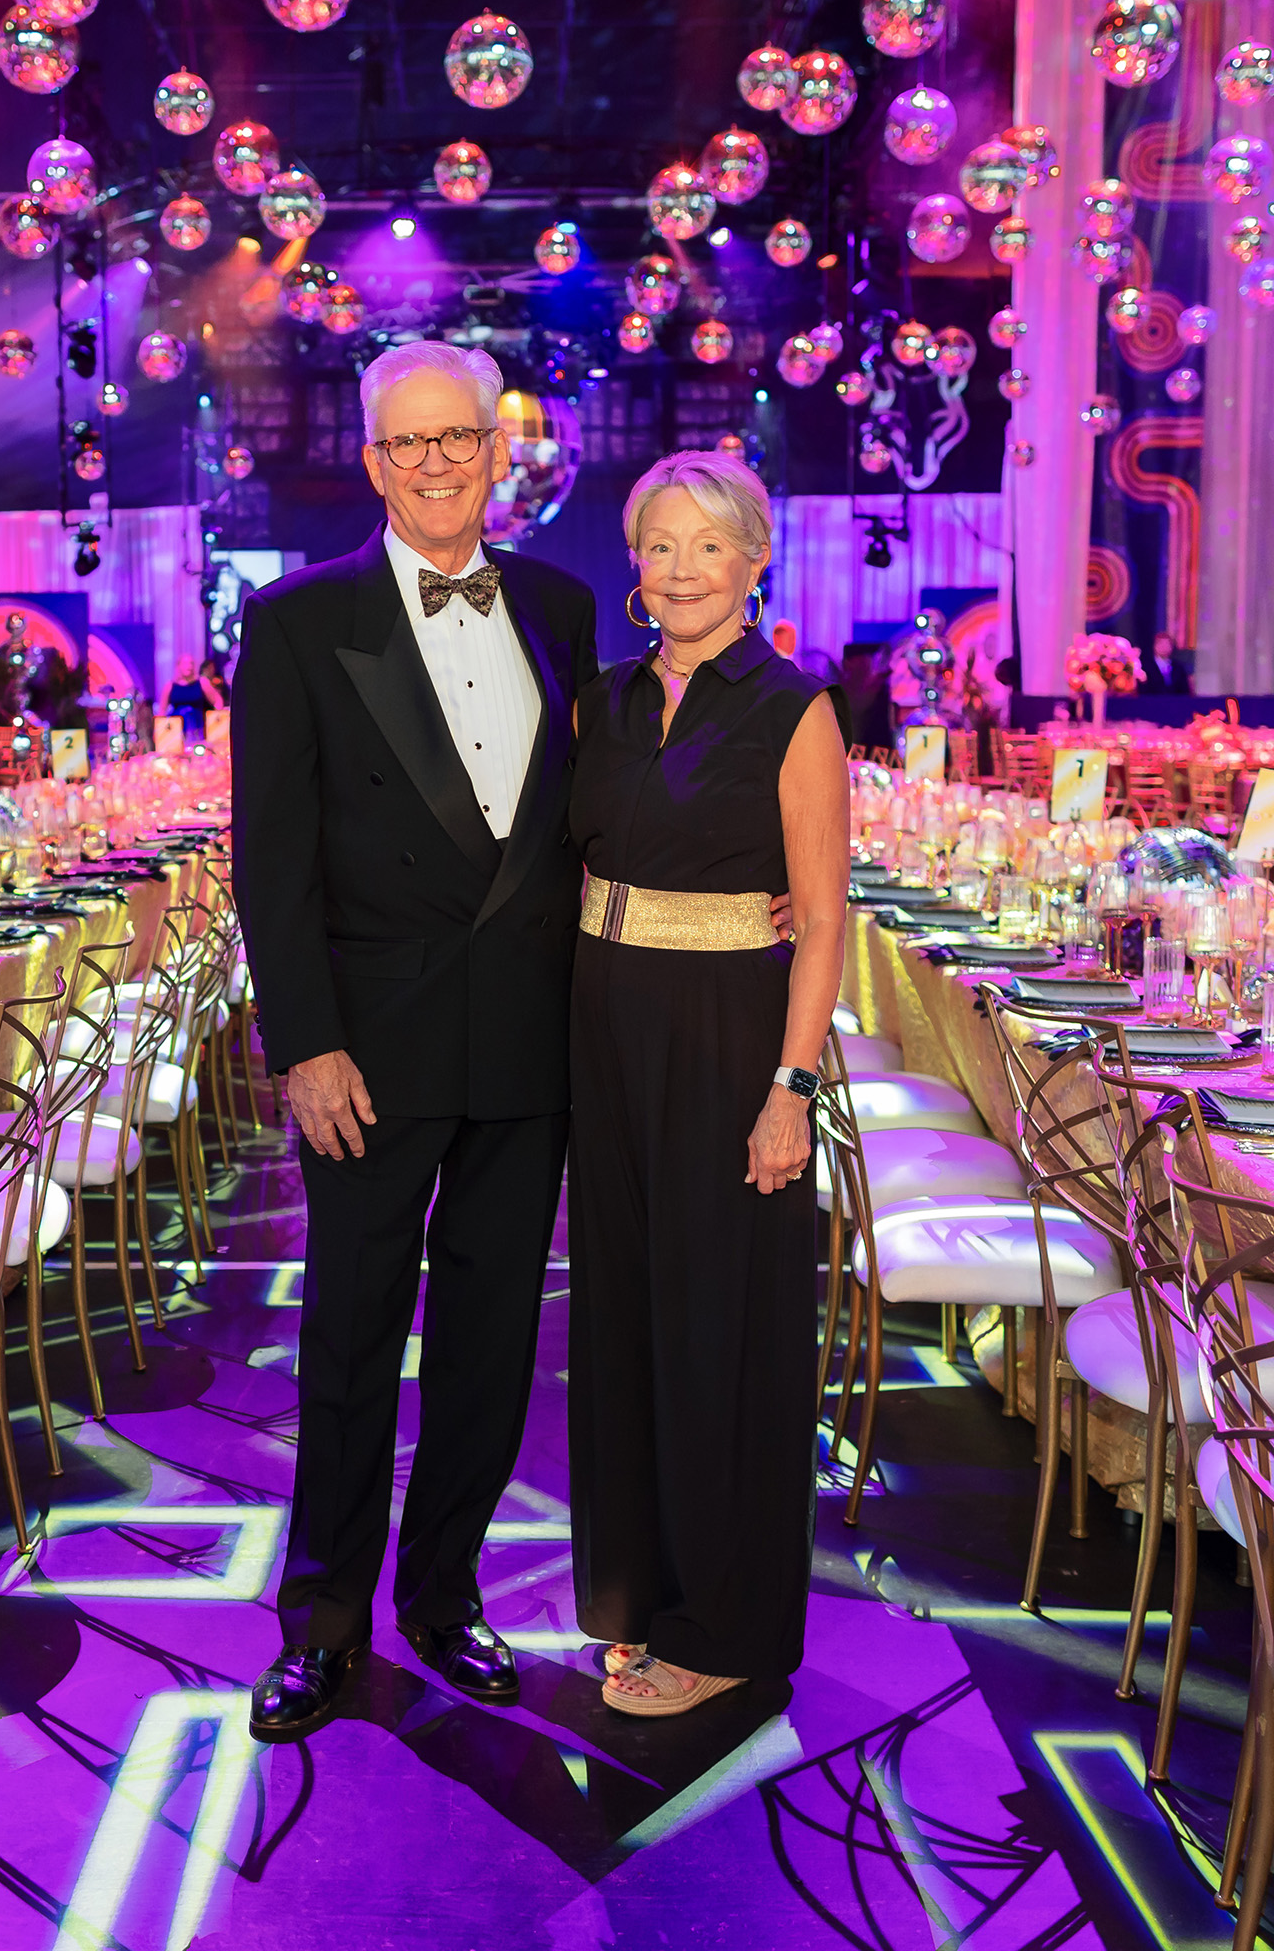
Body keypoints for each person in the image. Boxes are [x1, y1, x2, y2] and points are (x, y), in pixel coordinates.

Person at [231, 341, 598, 1742]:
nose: (439, 462)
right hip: (368, 1057)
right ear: (374, 459)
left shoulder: (563, 608)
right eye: (410, 444)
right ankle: (320, 1625)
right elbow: (273, 863)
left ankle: (444, 1598)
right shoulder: (299, 622)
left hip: (526, 1049)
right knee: (348, 1342)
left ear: (497, 450)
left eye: (461, 438)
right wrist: (305, 1044)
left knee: (494, 1344)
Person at [567, 449, 849, 1718]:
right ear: (636, 564)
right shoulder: (606, 701)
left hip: (730, 1034)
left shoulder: (795, 709)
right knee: (625, 1322)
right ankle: (638, 1594)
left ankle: (728, 1626)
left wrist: (791, 1086)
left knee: (721, 1330)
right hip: (604, 1027)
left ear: (754, 561)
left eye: (708, 545)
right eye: (658, 544)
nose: (680, 568)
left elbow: (827, 918)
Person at [163, 653, 213, 737]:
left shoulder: (202, 682)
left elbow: (217, 701)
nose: (189, 666)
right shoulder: (170, 686)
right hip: (177, 730)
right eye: (185, 663)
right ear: (178, 666)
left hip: (199, 727)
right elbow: (162, 709)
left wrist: (216, 720)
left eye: (191, 663)